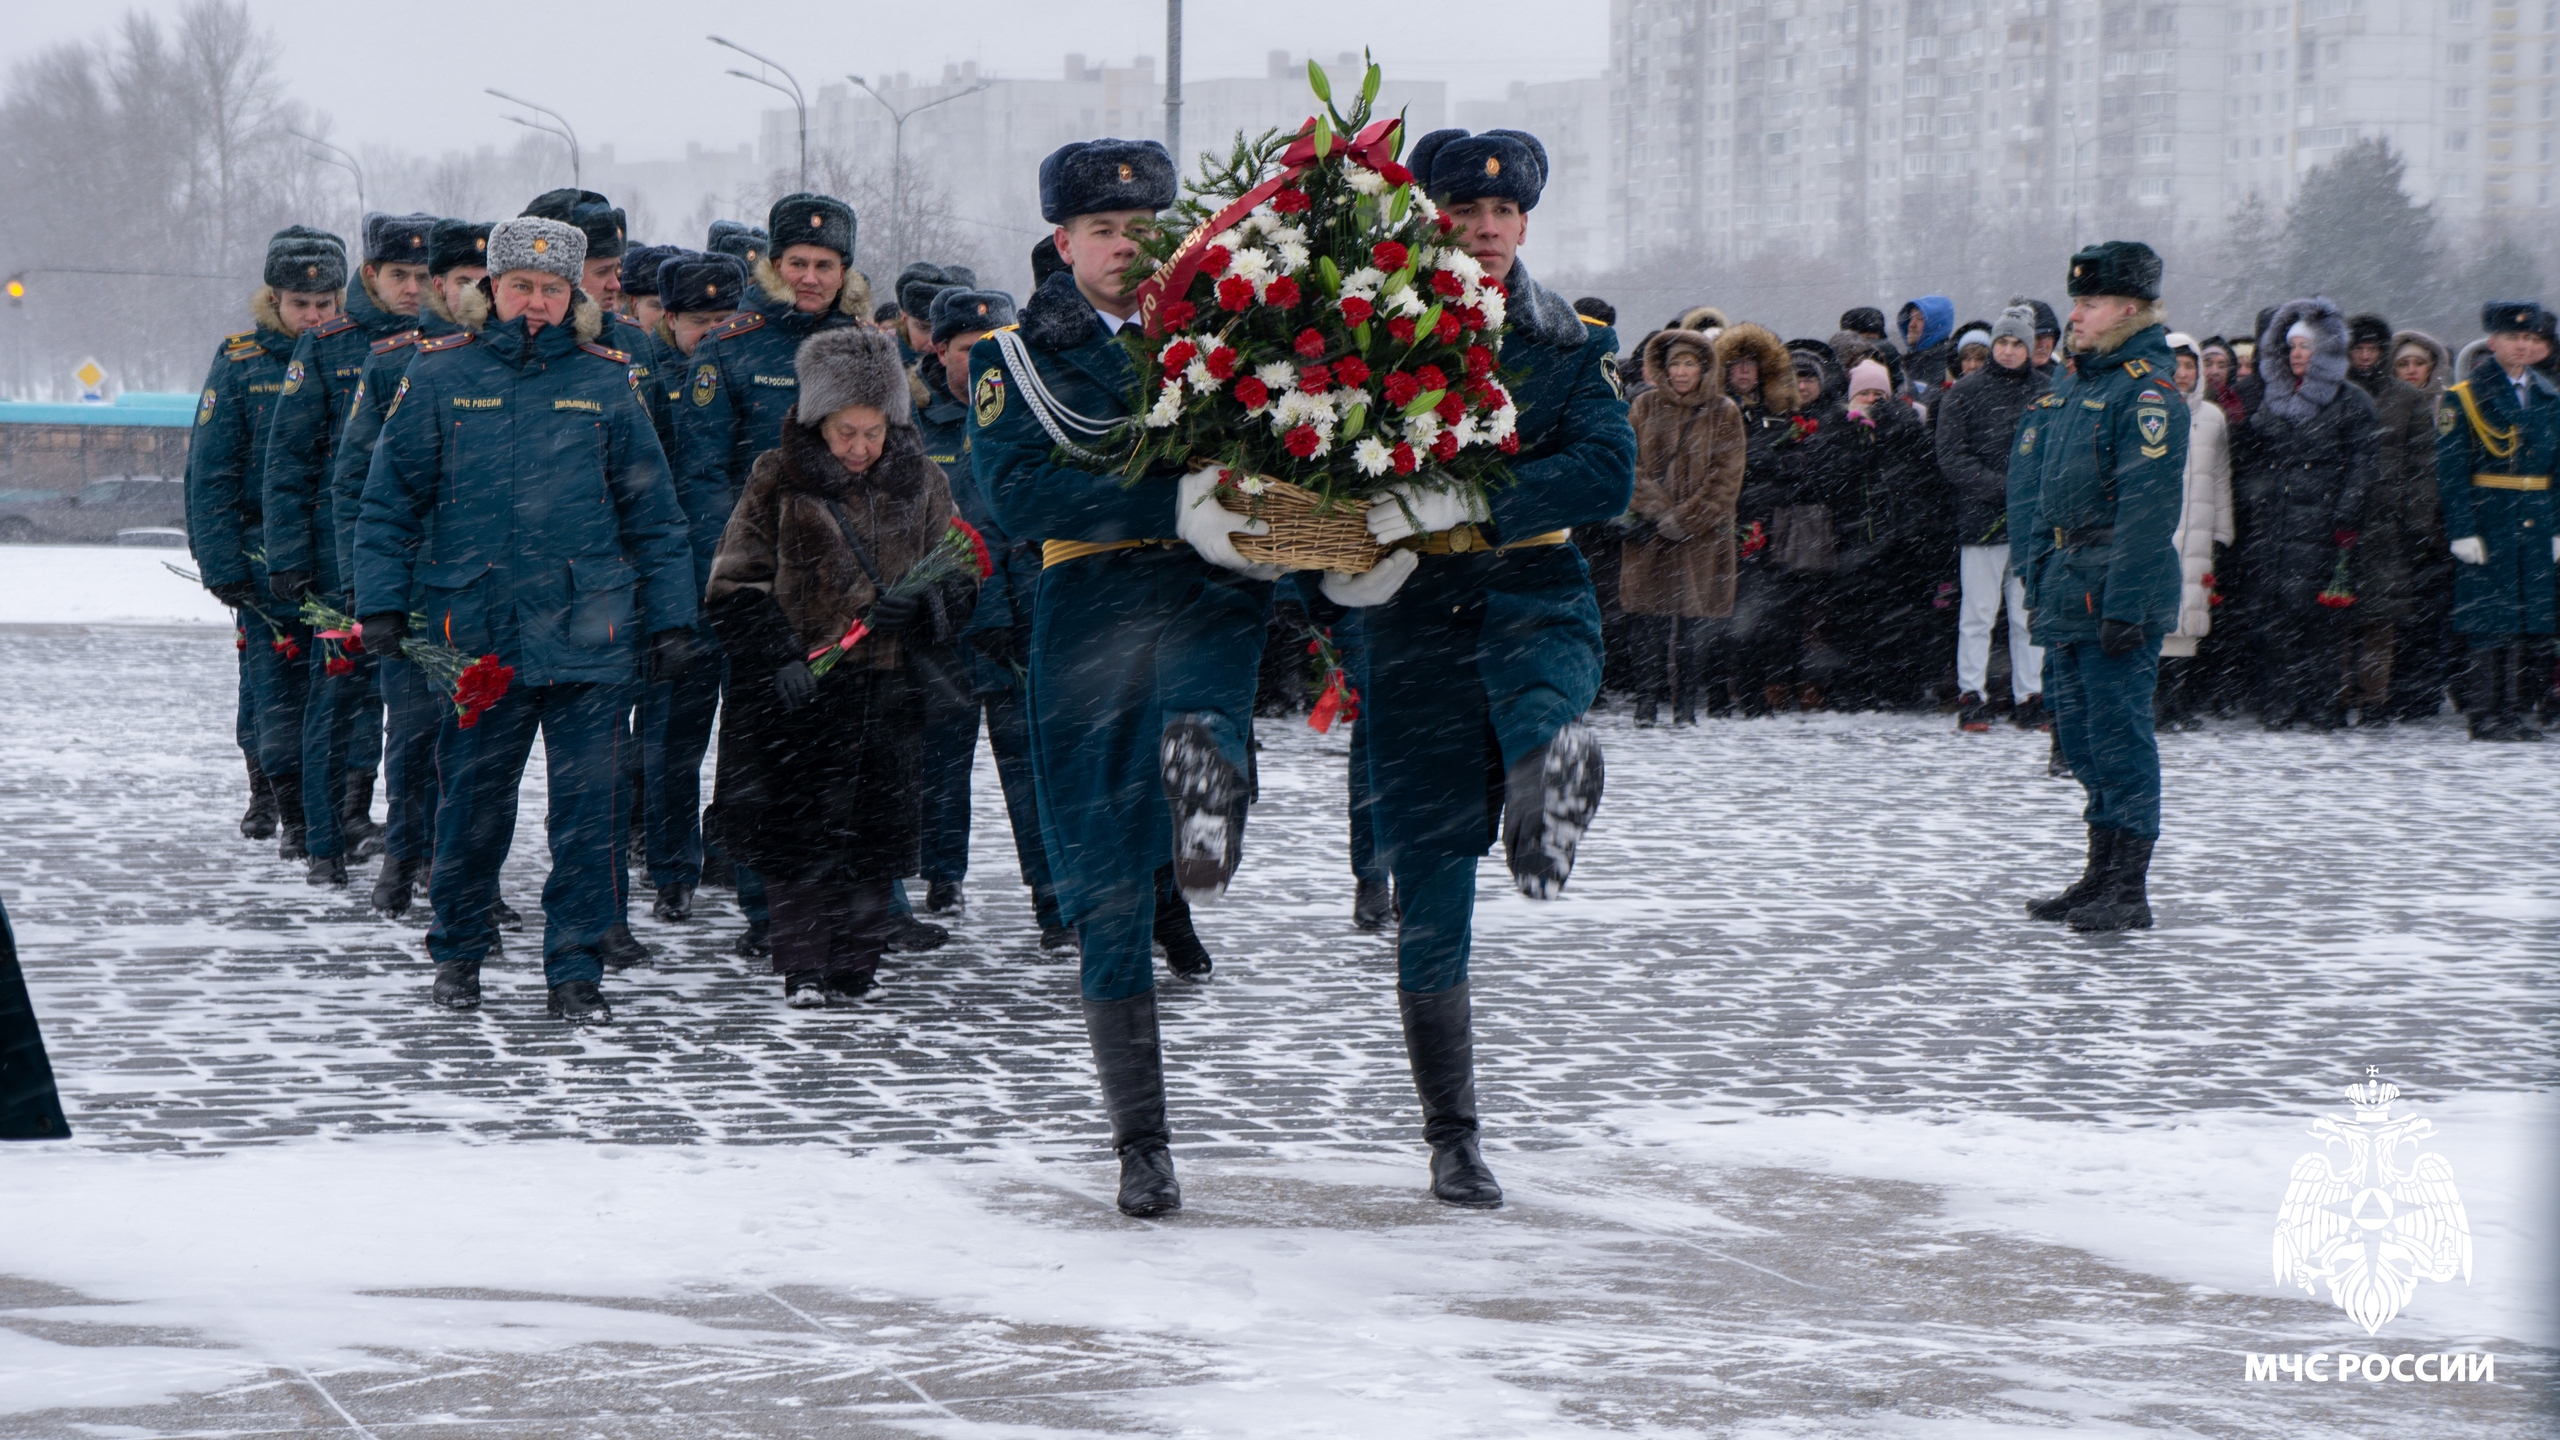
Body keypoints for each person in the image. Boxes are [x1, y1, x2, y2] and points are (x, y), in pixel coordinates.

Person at [1315, 126, 1634, 1209]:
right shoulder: (1372, 335)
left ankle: (1548, 790)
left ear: (1526, 225)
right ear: (1430, 223)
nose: (1486, 229)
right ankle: (1452, 1139)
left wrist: (1466, 500)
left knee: (1545, 705)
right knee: (1433, 875)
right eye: (1464, 214)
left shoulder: (1568, 340)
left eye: (1503, 215)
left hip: (1533, 591)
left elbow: (1604, 472)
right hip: (1412, 616)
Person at [973, 137, 1257, 1217]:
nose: (1124, 251)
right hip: (1090, 613)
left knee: (1204, 757)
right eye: (1102, 232)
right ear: (1063, 242)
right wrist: (1171, 506)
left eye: (1144, 233)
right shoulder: (1015, 358)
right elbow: (1024, 500)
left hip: (1206, 604)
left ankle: (1206, 823)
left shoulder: (1231, 339)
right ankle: (1142, 1146)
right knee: (1100, 885)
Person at [354, 215, 698, 1022]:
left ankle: (576, 968)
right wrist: (378, 603)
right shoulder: (437, 377)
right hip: (478, 628)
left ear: (573, 296)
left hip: (592, 625)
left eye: (550, 289)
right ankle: (461, 953)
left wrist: (672, 618)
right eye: (519, 287)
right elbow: (387, 504)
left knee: (589, 812)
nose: (534, 303)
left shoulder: (608, 380)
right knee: (472, 803)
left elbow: (655, 515)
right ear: (489, 290)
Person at [702, 328, 979, 1004]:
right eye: (846, 432)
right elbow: (733, 584)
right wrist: (780, 656)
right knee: (794, 841)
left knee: (871, 843)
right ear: (818, 422)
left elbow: (963, 576)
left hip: (885, 691)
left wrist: (920, 611)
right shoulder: (775, 477)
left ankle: (856, 965)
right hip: (797, 695)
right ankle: (800, 966)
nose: (860, 448)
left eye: (873, 433)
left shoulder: (924, 483)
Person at [668, 192, 890, 948]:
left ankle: (867, 906)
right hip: (762, 584)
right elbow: (701, 476)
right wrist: (733, 577)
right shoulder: (731, 347)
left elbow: (898, 466)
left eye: (824, 265)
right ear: (771, 264)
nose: (809, 277)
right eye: (796, 262)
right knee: (762, 750)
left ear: (845, 272)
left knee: (862, 748)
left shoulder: (868, 349)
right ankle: (770, 912)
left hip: (851, 581)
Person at [2008, 240, 2187, 932]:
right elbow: (2034, 489)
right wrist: (2034, 572)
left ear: (2131, 308)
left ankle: (2129, 886)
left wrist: (2126, 604)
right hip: (2067, 580)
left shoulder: (2144, 391)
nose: (2076, 314)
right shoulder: (2080, 382)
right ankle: (2099, 871)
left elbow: (2148, 510)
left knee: (2120, 736)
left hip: (2114, 583)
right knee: (2079, 737)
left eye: (2089, 302)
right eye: (2078, 301)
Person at [263, 212, 435, 886]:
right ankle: (323, 841)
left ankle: (400, 839)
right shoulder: (331, 345)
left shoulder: (446, 347)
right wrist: (290, 559)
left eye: (426, 277)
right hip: (341, 556)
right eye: (402, 275)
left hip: (416, 562)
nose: (415, 289)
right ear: (371, 275)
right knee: (337, 702)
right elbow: (292, 463)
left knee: (415, 713)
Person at [329, 219, 491, 918]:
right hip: (416, 582)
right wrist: (366, 593)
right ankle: (404, 853)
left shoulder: (520, 367)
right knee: (416, 728)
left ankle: (461, 870)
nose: (476, 294)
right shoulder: (397, 361)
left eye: (487, 282)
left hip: (486, 584)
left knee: (482, 740)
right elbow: (355, 483)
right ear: (437, 287)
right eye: (462, 282)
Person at [918, 285, 1069, 947]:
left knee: (1032, 770)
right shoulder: (913, 423)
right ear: (938, 350)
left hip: (1023, 625)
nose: (981, 360)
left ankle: (1054, 900)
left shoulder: (1036, 413)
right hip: (946, 625)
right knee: (938, 765)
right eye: (967, 350)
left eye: (995, 346)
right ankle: (940, 873)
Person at [186, 225, 344, 859]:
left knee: (334, 694)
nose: (312, 317)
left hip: (331, 555)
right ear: (272, 300)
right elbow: (212, 471)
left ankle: (328, 808)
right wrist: (224, 564)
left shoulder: (351, 356)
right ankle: (281, 801)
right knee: (273, 690)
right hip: (259, 558)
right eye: (300, 304)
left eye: (325, 305)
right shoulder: (243, 361)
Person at [2233, 299, 2375, 731]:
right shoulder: (2270, 400)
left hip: (2324, 530)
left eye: (2307, 347)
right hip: (2273, 528)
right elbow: (2249, 460)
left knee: (2322, 623)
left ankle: (2322, 705)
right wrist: (2257, 498)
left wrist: (2346, 514)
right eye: (2291, 346)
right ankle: (2280, 703)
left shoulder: (2351, 401)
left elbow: (2364, 464)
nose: (2297, 354)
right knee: (2274, 622)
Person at [2433, 301, 2560, 740]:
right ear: (2493, 343)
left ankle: (2512, 711)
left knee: (2527, 622)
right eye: (2514, 337)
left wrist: (2557, 526)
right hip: (2491, 520)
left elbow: (2557, 472)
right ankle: (2484, 714)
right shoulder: (2464, 396)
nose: (2523, 345)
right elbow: (2451, 472)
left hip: (2536, 520)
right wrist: (2462, 531)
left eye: (2532, 338)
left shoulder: (2548, 397)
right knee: (2490, 624)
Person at [1621, 327, 1745, 725]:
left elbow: (1727, 476)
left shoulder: (1724, 410)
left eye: (1689, 363)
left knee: (1696, 626)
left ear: (1704, 367)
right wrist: (1660, 512)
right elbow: (1629, 467)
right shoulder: (1643, 406)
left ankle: (1687, 707)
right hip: (1650, 534)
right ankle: (1645, 704)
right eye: (1674, 363)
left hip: (1704, 538)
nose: (1680, 372)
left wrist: (1687, 518)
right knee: (1648, 625)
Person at [1938, 303, 2050, 731]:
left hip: (2032, 523)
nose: (2007, 350)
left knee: (2027, 615)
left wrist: (2031, 494)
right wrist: (2002, 489)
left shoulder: (2046, 391)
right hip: (1981, 520)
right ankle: (1972, 693)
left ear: (2029, 347)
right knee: (1978, 614)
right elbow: (1951, 456)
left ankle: (2030, 695)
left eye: (2015, 343)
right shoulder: (1965, 393)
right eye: (2001, 342)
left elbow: (2057, 451)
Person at [2336, 313, 2440, 726]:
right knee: (2339, 610)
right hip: (2341, 516)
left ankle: (2375, 697)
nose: (2364, 356)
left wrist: (2415, 519)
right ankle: (2341, 693)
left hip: (2388, 520)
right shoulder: (2337, 393)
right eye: (2357, 349)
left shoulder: (2408, 399)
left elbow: (2422, 465)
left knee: (2382, 617)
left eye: (2371, 349)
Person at [1716, 321, 1809, 713]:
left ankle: (1754, 693)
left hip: (1767, 529)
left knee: (1759, 616)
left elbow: (1799, 470)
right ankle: (1718, 694)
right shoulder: (1715, 412)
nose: (1743, 371)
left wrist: (1760, 478)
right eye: (1736, 364)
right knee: (1718, 614)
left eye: (1751, 364)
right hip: (1720, 525)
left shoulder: (1780, 416)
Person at [2154, 333, 2235, 729]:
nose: (2183, 373)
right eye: (2176, 365)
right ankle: (2154, 701)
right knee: (2156, 614)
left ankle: (2178, 700)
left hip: (2198, 529)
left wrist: (2222, 529)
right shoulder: (2148, 409)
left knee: (2190, 618)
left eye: (2190, 366)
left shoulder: (2212, 418)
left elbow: (2220, 477)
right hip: (2158, 527)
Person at [2385, 328, 2457, 720]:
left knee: (2431, 618)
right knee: (2396, 617)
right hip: (2395, 526)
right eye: (2403, 364)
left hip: (2437, 529)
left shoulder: (2448, 404)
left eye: (2419, 363)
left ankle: (2424, 693)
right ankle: (2394, 690)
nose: (2411, 371)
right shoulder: (2386, 403)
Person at [1896, 294, 1958, 394]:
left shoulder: (1947, 365)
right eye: (1910, 318)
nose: (1911, 325)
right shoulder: (1907, 363)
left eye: (1920, 318)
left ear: (1936, 325)